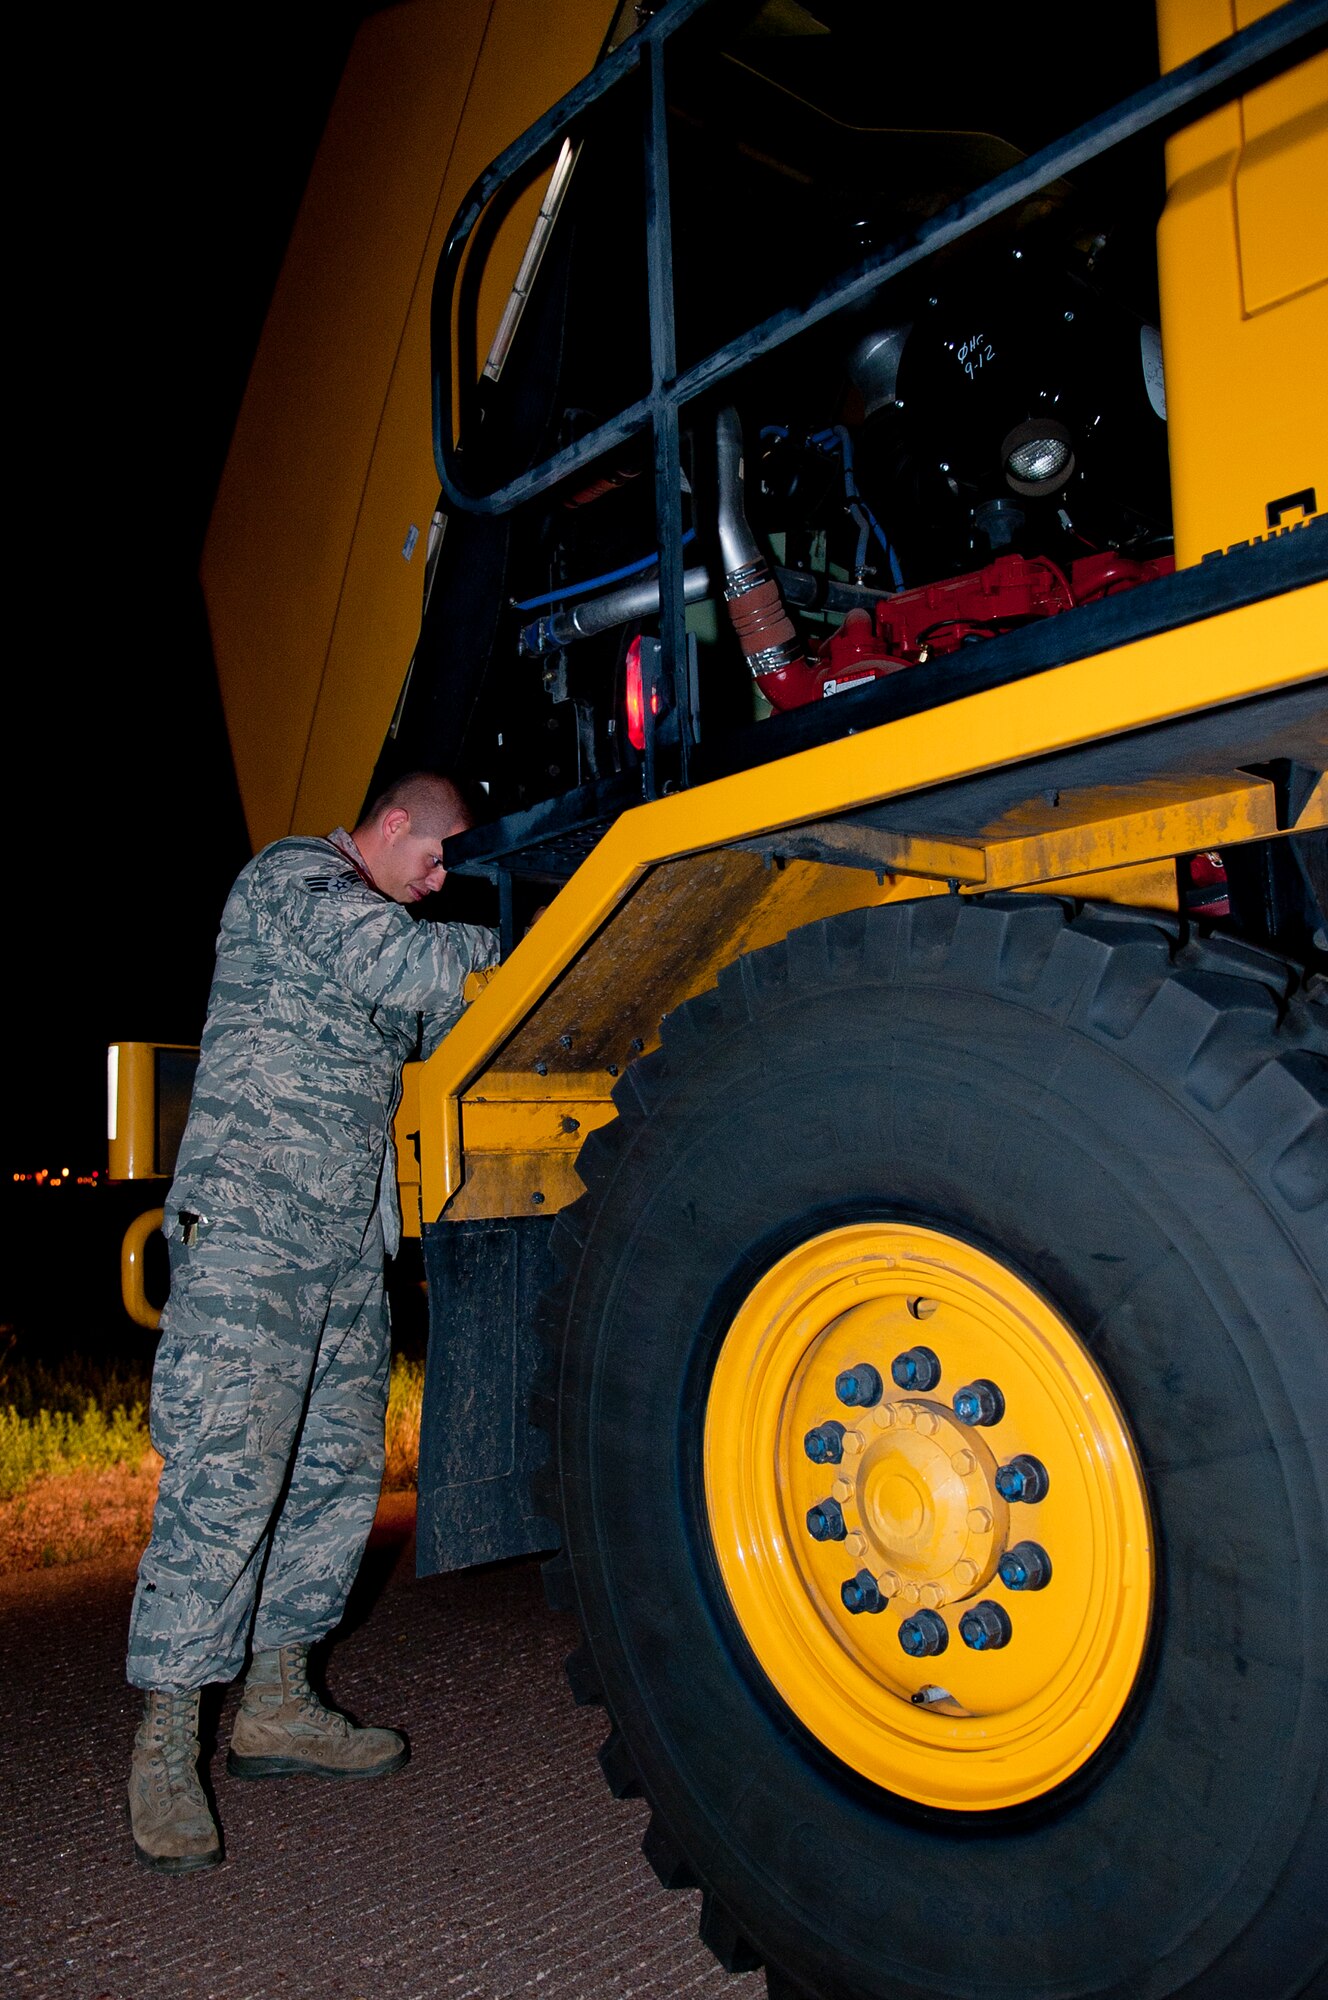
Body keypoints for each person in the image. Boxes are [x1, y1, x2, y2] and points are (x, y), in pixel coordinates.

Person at [125, 771, 498, 1872]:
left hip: (342, 1246)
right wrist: (512, 932)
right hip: (250, 1232)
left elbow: (450, 1012)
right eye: (431, 859)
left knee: (333, 1475)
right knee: (225, 1474)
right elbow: (423, 969)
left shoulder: (381, 918)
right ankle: (164, 1738)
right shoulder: (293, 877)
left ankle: (276, 1701)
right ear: (389, 826)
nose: (435, 883)